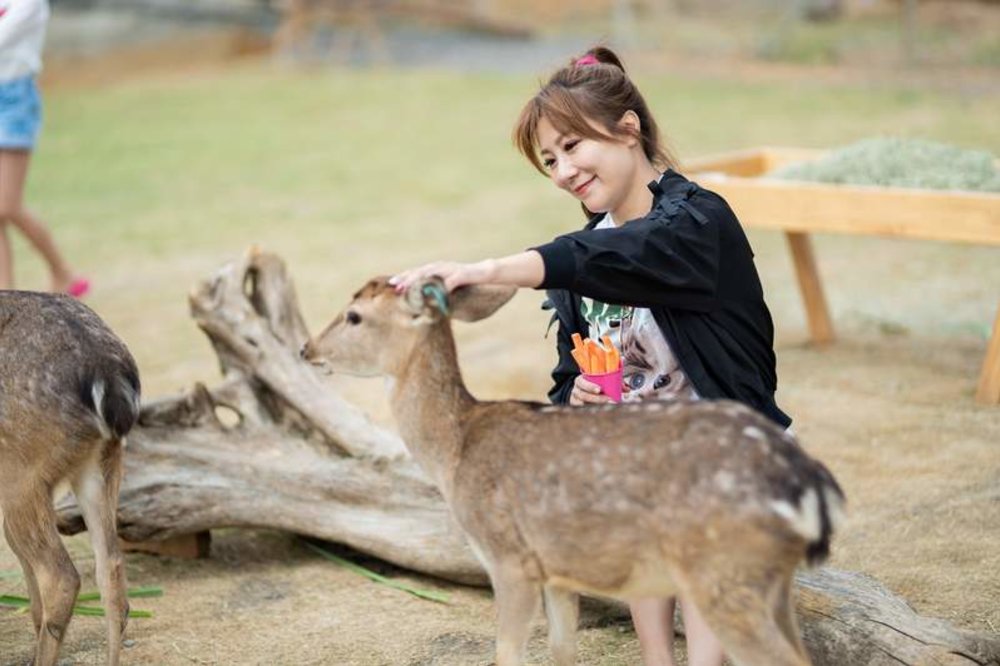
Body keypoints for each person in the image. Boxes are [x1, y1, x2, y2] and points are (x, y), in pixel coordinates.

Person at [390, 46, 791, 666]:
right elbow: (573, 361)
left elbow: (619, 255)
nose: (562, 171)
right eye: (549, 160)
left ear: (628, 129)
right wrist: (575, 394)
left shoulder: (695, 223)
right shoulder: (585, 249)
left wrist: (490, 267)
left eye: (572, 147)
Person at [0, 0, 87, 296]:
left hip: (14, 100)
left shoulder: (30, 3)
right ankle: (5, 296)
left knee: (7, 204)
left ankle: (62, 272)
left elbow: (3, 37)